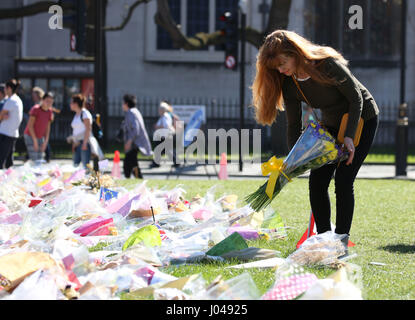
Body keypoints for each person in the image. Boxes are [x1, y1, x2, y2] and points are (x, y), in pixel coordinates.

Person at [251, 30, 379, 253]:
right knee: (317, 182)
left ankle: (340, 240)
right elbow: (293, 124)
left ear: (295, 53)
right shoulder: (290, 84)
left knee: (343, 179)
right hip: (330, 125)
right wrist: (296, 159)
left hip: (360, 119)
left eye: (283, 63)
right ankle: (323, 239)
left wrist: (349, 137)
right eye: (276, 68)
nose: (281, 70)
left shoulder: (325, 65)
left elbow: (355, 97)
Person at [121, 94, 153, 178]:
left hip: (134, 143)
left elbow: (136, 129)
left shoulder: (131, 113)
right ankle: (138, 179)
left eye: (123, 103)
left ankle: (133, 179)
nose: (122, 105)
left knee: (127, 164)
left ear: (126, 104)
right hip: (135, 142)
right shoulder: (134, 112)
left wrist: (129, 141)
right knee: (132, 163)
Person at [23, 91, 54, 162]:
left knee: (40, 158)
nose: (49, 103)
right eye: (47, 101)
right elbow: (30, 126)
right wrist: (35, 141)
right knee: (35, 159)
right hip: (30, 136)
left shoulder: (50, 111)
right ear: (42, 100)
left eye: (51, 102)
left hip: (40, 137)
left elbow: (47, 128)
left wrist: (45, 142)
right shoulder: (35, 109)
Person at [0, 79, 23, 169]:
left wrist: (2, 116)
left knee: (1, 159)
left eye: (5, 88)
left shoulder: (11, 101)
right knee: (8, 160)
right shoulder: (17, 99)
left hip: (5, 132)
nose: (4, 90)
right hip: (12, 133)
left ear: (9, 88)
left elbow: (1, 115)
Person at [69, 94, 94, 169]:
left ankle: (88, 180)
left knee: (85, 166)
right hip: (77, 143)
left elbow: (88, 129)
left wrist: (85, 143)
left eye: (71, 103)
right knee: (75, 166)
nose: (70, 105)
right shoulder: (76, 115)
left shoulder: (85, 113)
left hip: (84, 142)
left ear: (76, 104)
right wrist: (74, 143)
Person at [152, 101, 178, 167]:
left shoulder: (165, 116)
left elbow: (166, 126)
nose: (158, 111)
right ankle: (176, 161)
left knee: (162, 149)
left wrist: (158, 127)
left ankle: (156, 162)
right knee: (165, 149)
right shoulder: (164, 116)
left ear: (162, 110)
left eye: (160, 109)